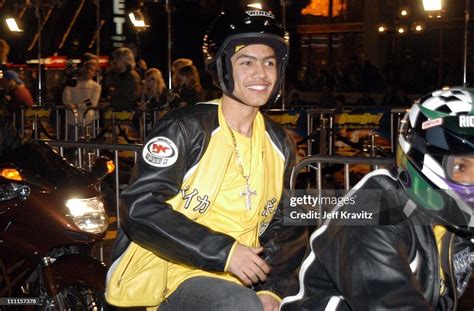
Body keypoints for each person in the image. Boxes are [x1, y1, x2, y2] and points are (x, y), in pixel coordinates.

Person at [108, 7, 307, 311]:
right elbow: (140, 208)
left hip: (240, 281)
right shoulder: (184, 128)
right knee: (237, 303)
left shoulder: (280, 142)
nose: (261, 74)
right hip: (166, 279)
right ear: (222, 66)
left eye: (269, 62)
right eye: (247, 62)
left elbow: (286, 224)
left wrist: (274, 289)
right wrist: (223, 252)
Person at [281, 86, 474, 310]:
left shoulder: (452, 218)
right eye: (461, 166)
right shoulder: (370, 214)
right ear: (423, 160)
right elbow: (392, 305)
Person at [62, 61, 101, 140]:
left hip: (88, 119)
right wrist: (70, 105)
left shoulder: (96, 86)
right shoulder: (72, 83)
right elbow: (66, 99)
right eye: (87, 68)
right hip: (72, 119)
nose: (89, 71)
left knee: (88, 143)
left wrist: (77, 106)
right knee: (73, 142)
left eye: (92, 70)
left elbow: (92, 103)